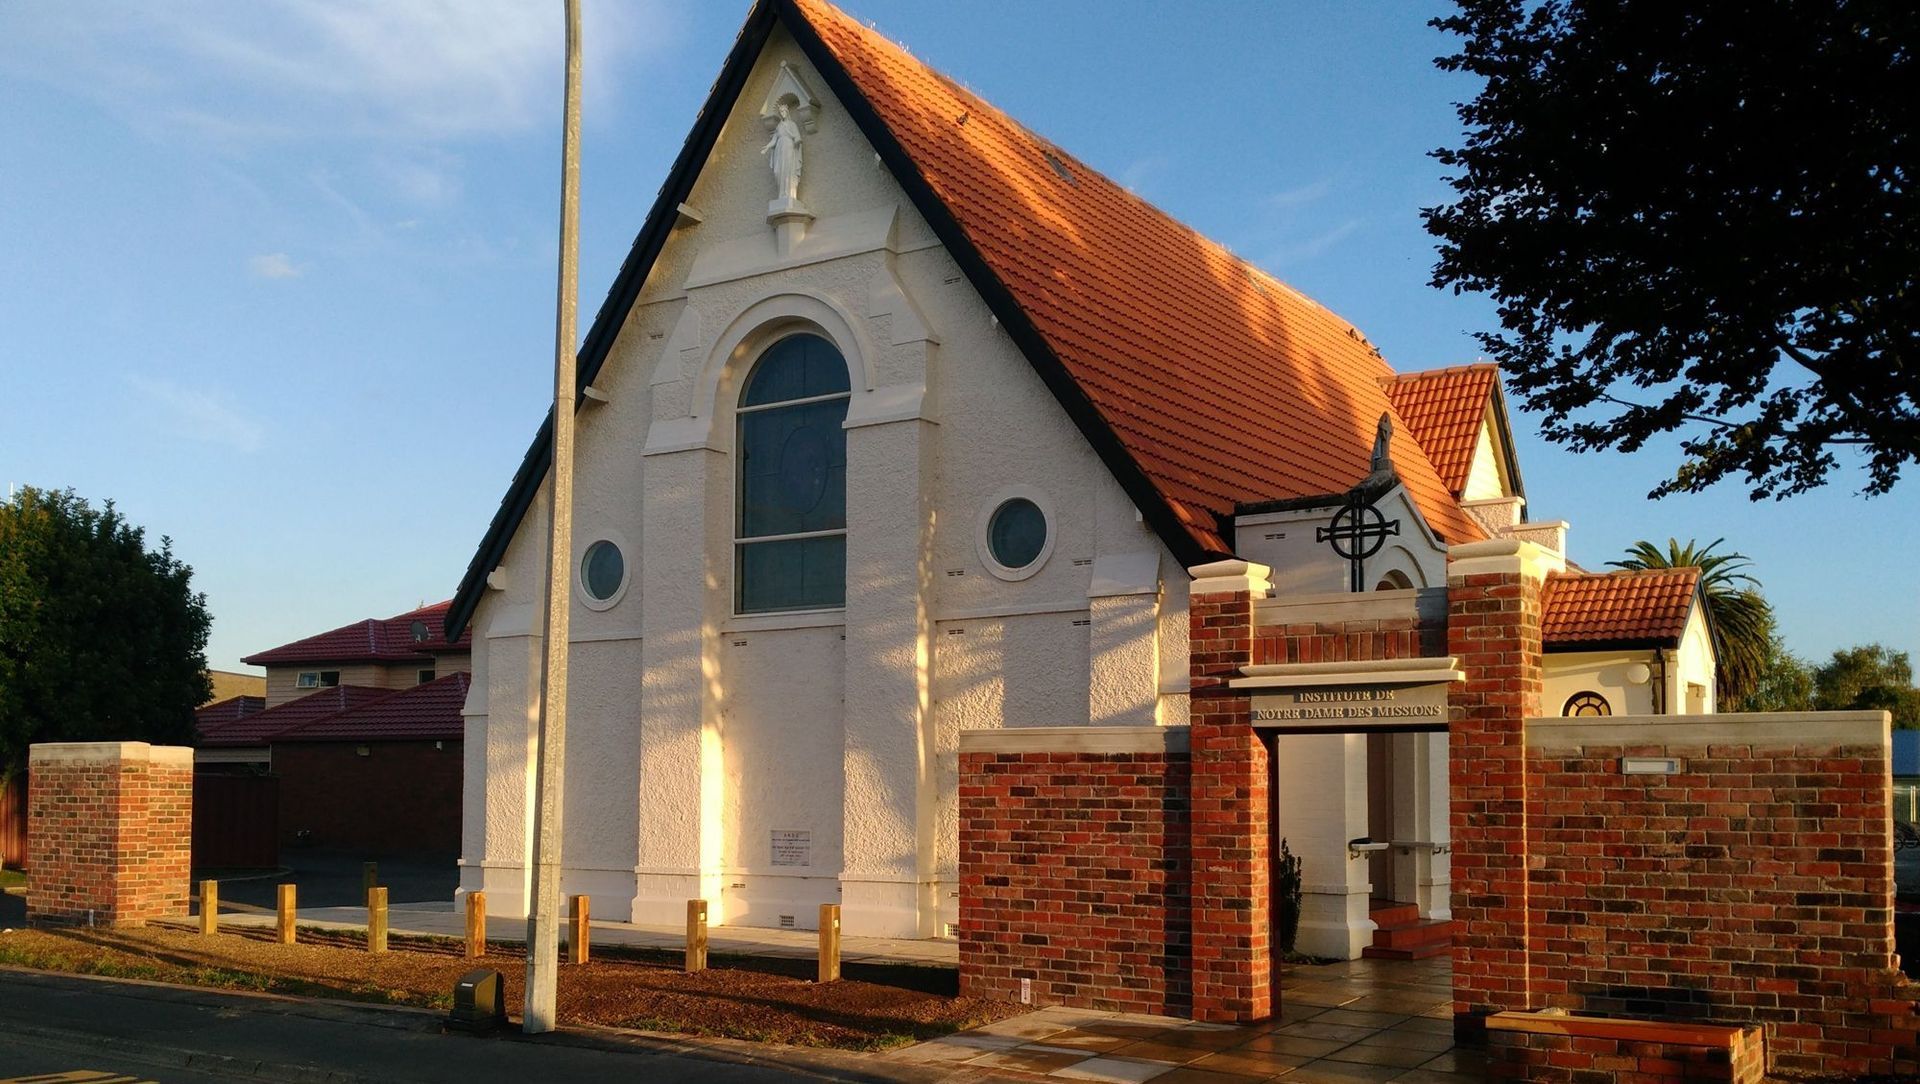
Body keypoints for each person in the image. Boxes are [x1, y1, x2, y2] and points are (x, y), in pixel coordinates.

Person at [762, 101, 802, 203]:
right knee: (777, 171)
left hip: (789, 148)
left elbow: (797, 138)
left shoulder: (792, 124)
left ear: (787, 112)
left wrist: (796, 141)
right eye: (781, 112)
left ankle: (789, 195)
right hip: (779, 150)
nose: (782, 113)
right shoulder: (779, 127)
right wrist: (766, 147)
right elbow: (774, 140)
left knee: (788, 170)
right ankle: (781, 195)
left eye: (784, 111)